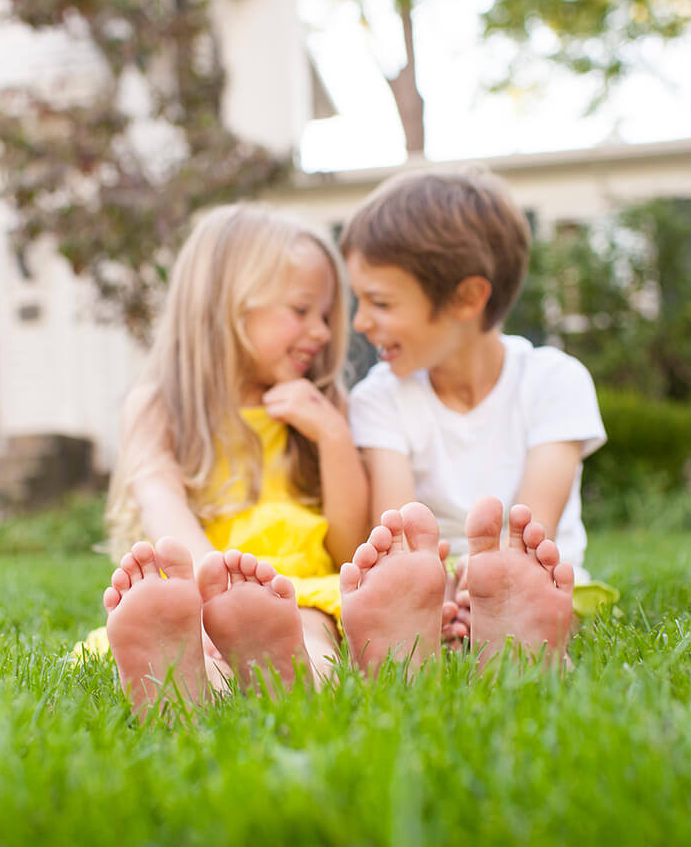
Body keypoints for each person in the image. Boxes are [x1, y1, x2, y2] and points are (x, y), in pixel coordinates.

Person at [88, 204, 454, 714]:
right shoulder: (159, 406)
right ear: (225, 306)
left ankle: (286, 674)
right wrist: (211, 592)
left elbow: (348, 545)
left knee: (307, 629)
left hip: (302, 589)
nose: (324, 331)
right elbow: (161, 508)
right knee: (198, 640)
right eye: (302, 311)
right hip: (194, 586)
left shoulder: (323, 404)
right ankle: (189, 680)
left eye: (325, 315)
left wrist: (331, 435)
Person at [341, 169, 617, 652]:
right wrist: (441, 589)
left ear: (467, 298)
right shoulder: (378, 398)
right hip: (432, 582)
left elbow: (534, 529)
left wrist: (493, 581)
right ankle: (445, 625)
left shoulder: (555, 380)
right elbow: (397, 536)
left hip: (537, 576)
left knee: (558, 597)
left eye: (380, 302)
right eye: (359, 300)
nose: (360, 321)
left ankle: (507, 623)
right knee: (411, 591)